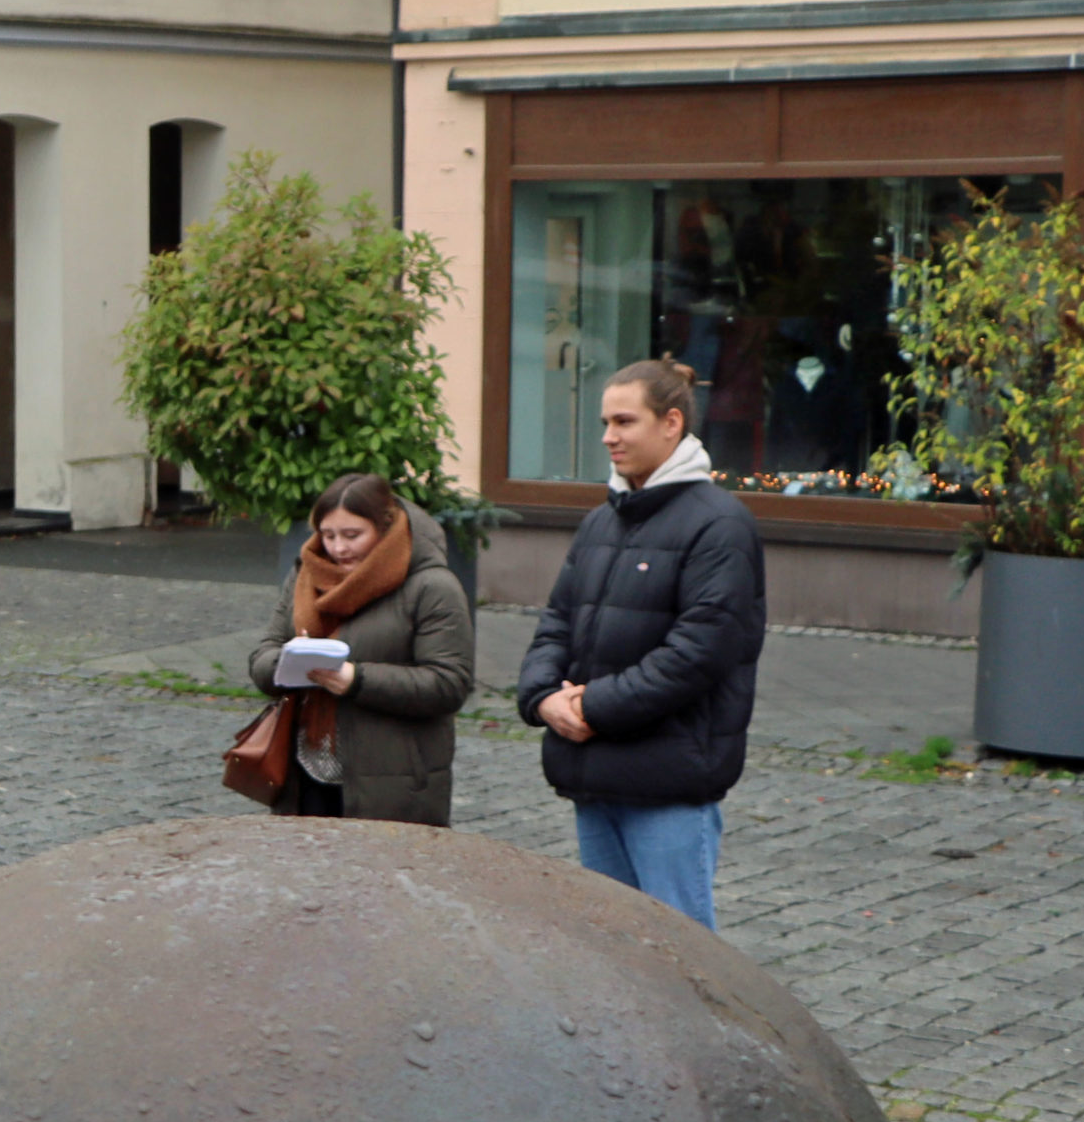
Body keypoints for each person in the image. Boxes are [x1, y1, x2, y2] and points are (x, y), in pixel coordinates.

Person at [520, 357, 766, 928]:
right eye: (606, 423)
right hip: (594, 771)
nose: (609, 437)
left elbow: (697, 652)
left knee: (681, 957)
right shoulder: (601, 522)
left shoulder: (719, 525)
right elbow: (556, 620)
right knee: (614, 950)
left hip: (668, 782)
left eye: (625, 422)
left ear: (671, 423)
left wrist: (591, 707)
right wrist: (541, 698)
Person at [246, 472, 476, 827]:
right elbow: (263, 655)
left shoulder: (432, 587)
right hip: (304, 778)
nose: (338, 548)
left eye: (352, 535)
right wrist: (285, 662)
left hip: (393, 787)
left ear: (384, 528)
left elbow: (448, 683)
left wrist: (357, 679)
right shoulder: (307, 574)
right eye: (328, 535)